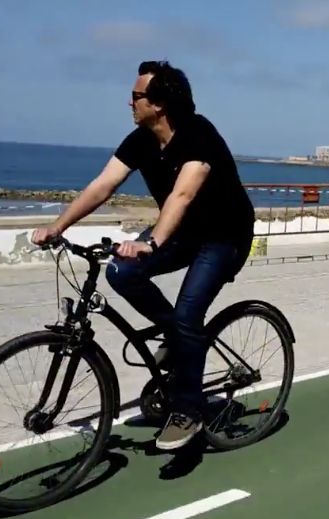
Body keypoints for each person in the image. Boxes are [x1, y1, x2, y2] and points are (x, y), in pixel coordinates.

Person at [31, 60, 256, 451]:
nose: (129, 102)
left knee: (188, 314)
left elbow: (182, 195)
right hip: (183, 233)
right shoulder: (141, 140)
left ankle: (188, 410)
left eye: (135, 96)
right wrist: (58, 226)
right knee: (120, 272)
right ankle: (180, 339)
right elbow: (103, 185)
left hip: (224, 237)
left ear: (159, 103)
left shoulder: (198, 135)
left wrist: (152, 243)